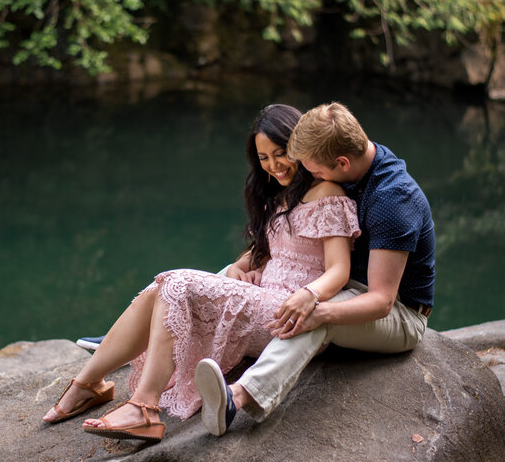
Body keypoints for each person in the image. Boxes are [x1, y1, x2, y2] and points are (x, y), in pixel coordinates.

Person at [42, 104, 361, 442]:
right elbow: (273, 248)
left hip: (288, 313)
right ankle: (89, 383)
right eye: (263, 158)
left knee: (176, 283)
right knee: (159, 289)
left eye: (280, 153)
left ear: (299, 148)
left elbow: (339, 270)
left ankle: (144, 408)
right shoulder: (279, 196)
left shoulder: (327, 193)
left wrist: (308, 295)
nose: (273, 165)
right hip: (261, 303)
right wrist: (242, 266)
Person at [194, 101, 435, 436]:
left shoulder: (392, 199)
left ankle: (238, 397)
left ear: (341, 163)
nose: (311, 177)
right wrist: (247, 265)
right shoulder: (352, 158)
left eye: (317, 172)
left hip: (397, 313)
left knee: (314, 314)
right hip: (347, 285)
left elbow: (381, 301)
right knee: (230, 278)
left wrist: (317, 309)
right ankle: (158, 333)